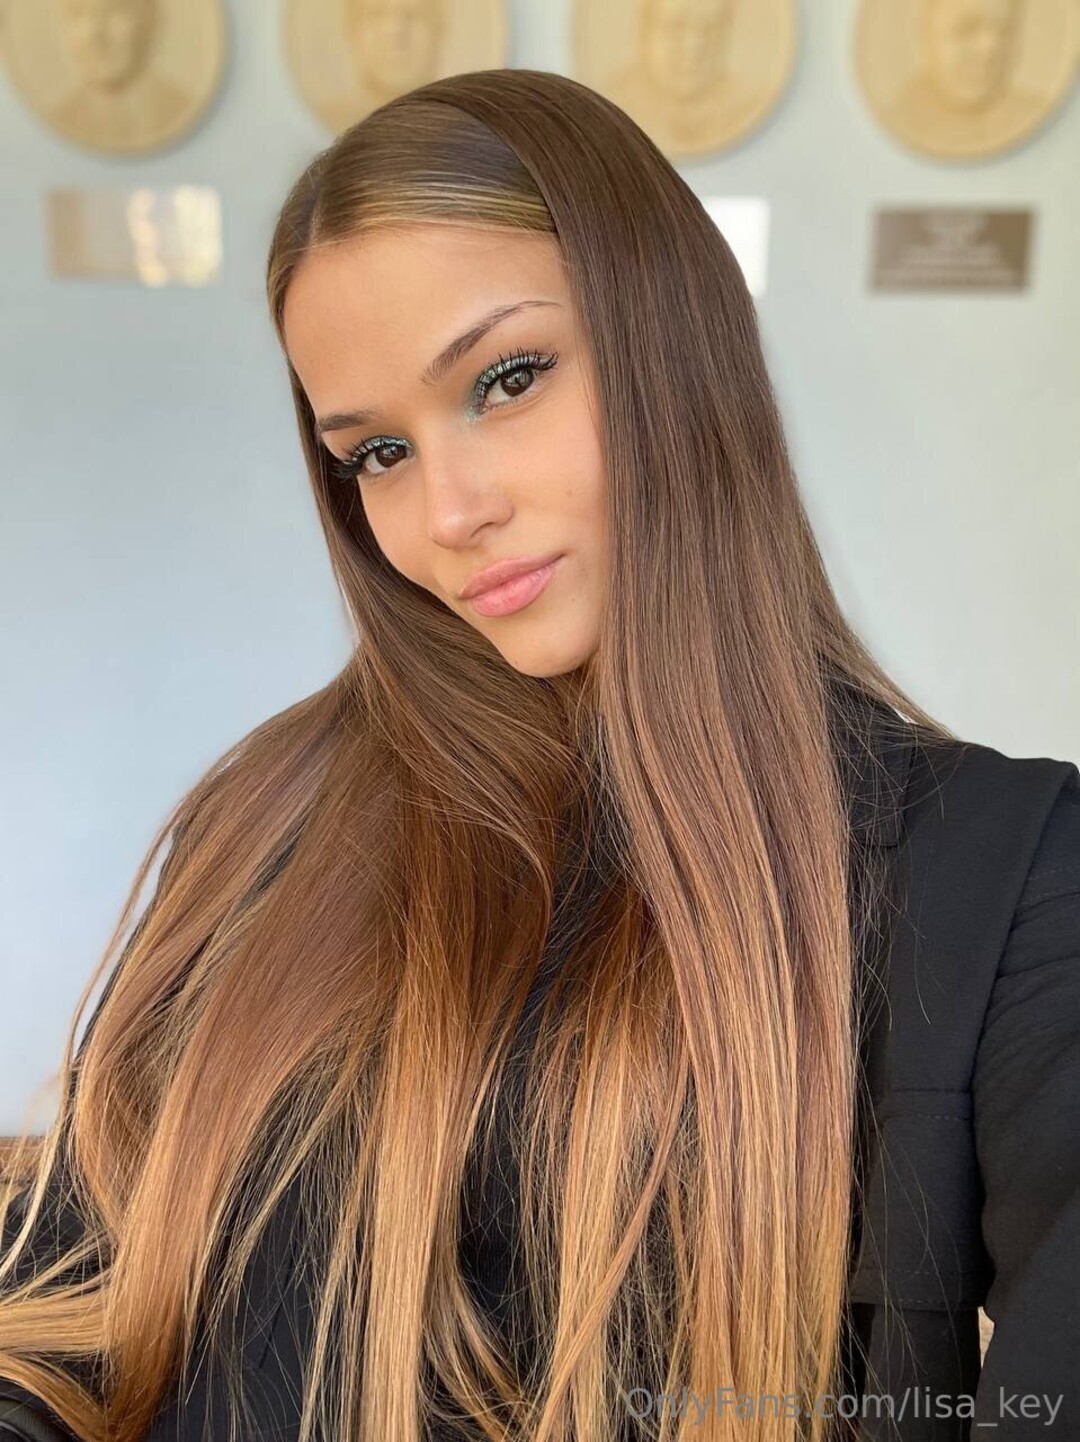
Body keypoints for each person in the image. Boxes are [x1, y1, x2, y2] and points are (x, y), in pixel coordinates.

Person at [1, 66, 1077, 1442]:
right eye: (376, 453)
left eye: (505, 381)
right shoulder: (266, 819)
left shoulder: (1003, 879)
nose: (445, 513)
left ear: (672, 340)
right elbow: (73, 1303)